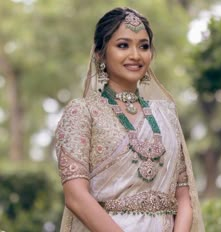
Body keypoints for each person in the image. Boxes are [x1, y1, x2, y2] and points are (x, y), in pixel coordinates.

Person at [55, 7, 205, 232]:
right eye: (123, 45)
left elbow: (184, 194)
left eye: (143, 46)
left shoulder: (166, 114)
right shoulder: (82, 112)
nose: (135, 55)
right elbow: (76, 197)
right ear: (100, 53)